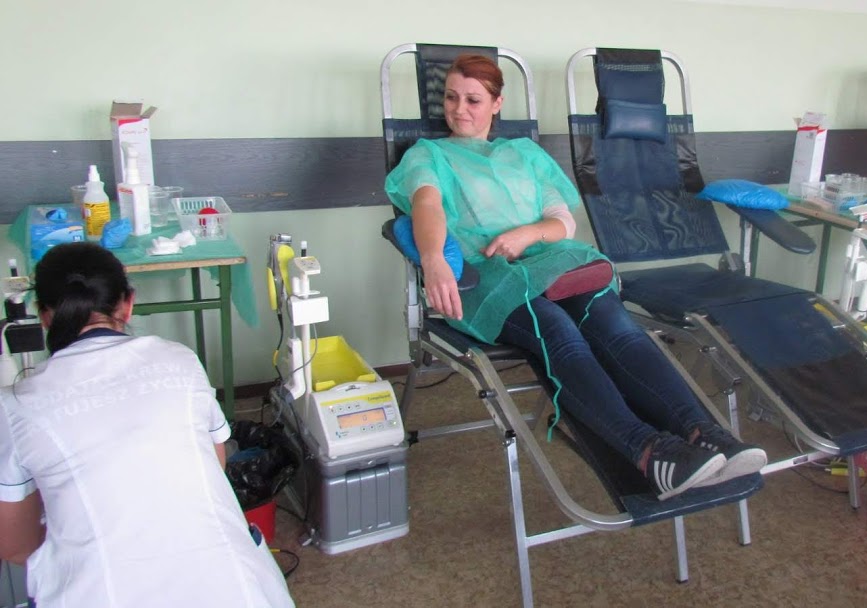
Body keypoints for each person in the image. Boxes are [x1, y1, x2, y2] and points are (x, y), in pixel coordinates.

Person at [385, 54, 766, 501]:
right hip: (488, 277)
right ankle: (648, 452)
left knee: (619, 327)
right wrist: (434, 259)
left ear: (497, 103)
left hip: (555, 262)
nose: (459, 109)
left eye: (473, 99)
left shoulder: (525, 153)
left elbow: (562, 222)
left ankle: (703, 432)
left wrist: (529, 233)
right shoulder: (428, 155)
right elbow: (427, 205)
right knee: (556, 330)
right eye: (451, 98)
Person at [0, 243, 293, 607]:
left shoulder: (17, 404)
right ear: (128, 304)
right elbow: (214, 465)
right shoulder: (180, 361)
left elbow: (15, 545)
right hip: (237, 590)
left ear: (43, 315)